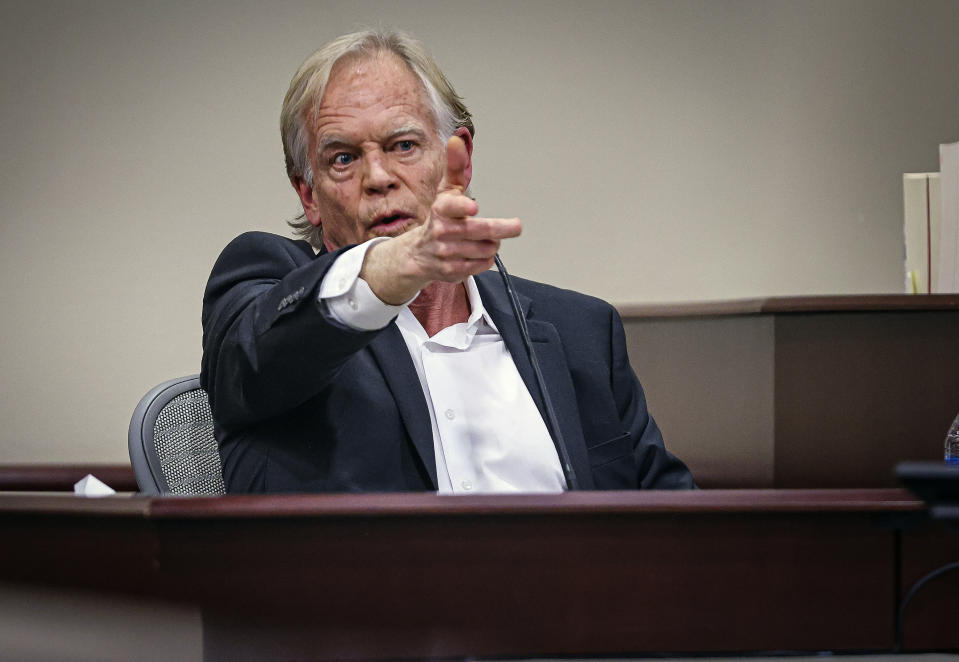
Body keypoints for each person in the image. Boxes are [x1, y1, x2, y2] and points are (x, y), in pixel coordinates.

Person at [200, 28, 694, 493]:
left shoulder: (581, 333)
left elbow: (674, 516)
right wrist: (392, 268)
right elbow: (252, 359)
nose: (378, 177)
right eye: (344, 159)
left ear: (459, 156)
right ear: (308, 194)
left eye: (404, 146)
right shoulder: (268, 289)